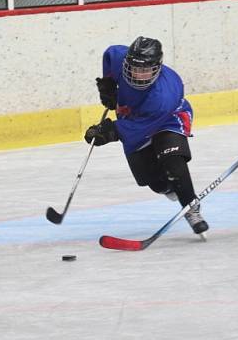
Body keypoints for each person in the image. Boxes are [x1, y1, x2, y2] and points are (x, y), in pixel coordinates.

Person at [84, 36, 209, 235]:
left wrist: (110, 132)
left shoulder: (163, 95)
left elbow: (137, 129)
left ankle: (191, 208)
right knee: (153, 181)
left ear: (157, 68)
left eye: (145, 70)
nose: (138, 74)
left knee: (172, 159)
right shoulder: (119, 58)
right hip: (133, 116)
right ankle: (170, 189)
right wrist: (108, 83)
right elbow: (110, 53)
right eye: (134, 68)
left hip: (169, 118)